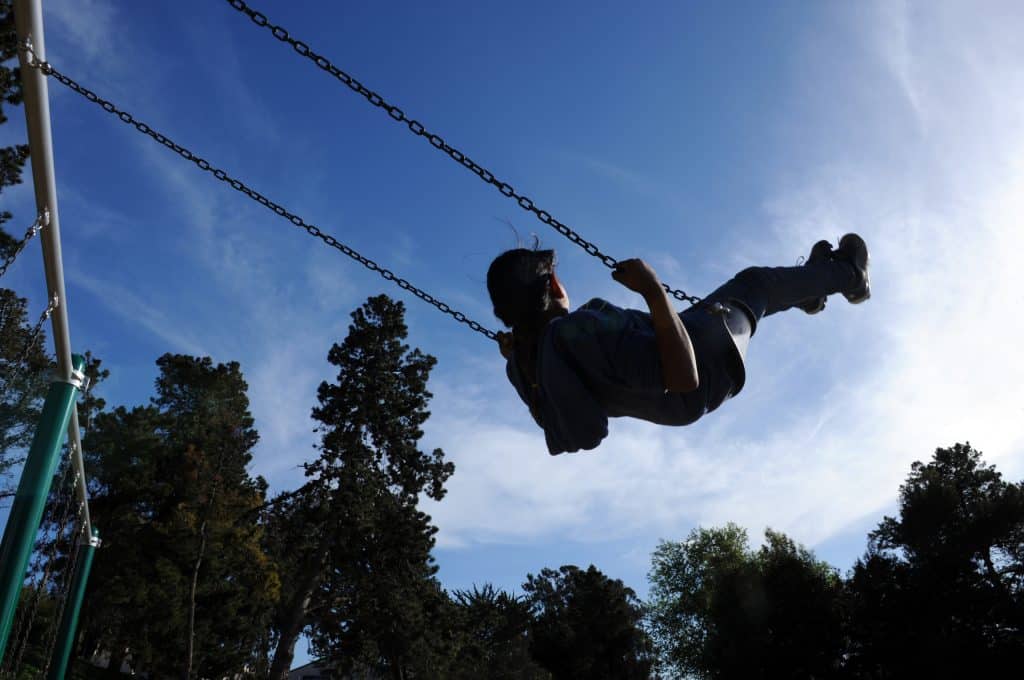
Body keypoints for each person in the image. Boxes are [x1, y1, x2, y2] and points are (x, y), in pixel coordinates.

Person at [487, 234, 870, 455]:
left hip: (677, 402)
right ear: (553, 285)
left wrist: (516, 357)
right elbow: (683, 376)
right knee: (757, 285)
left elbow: (559, 420)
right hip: (701, 364)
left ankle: (812, 287)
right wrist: (652, 290)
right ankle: (849, 276)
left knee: (757, 296)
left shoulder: (526, 365)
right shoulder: (580, 330)